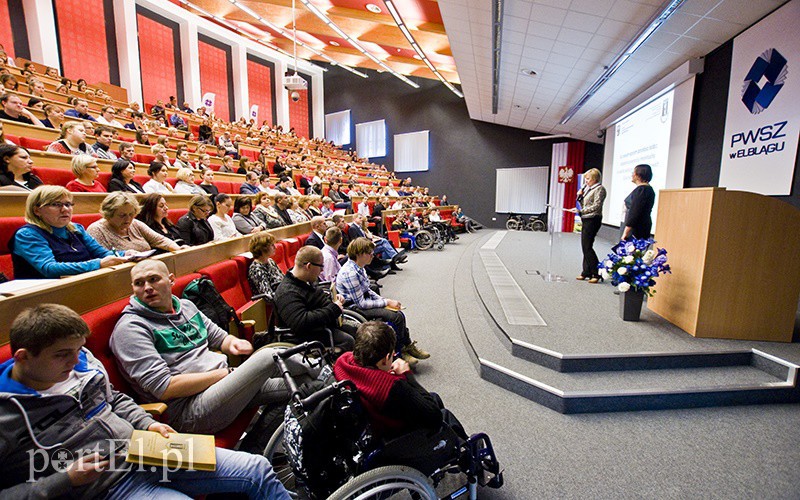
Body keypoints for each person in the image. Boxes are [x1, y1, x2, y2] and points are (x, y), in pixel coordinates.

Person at [0, 303, 290, 499]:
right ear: (23, 357)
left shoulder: (80, 366)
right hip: (107, 487)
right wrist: (65, 479)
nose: (75, 361)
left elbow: (115, 400)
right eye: (62, 354)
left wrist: (148, 424)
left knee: (258, 469)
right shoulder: (7, 415)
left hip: (149, 452)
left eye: (79, 350)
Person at [110, 259, 313, 434]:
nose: (147, 287)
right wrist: (226, 374)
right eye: (139, 283)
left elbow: (220, 338)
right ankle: (324, 368)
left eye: (154, 279)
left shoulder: (186, 307)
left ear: (171, 279)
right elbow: (164, 388)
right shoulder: (130, 328)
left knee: (306, 385)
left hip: (224, 388)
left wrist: (233, 343)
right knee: (269, 355)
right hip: (189, 409)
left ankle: (257, 446)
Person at [333, 321, 466, 440]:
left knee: (434, 397)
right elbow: (434, 417)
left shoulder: (342, 361)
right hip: (394, 433)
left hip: (369, 418)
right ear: (386, 358)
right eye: (393, 355)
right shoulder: (393, 387)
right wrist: (407, 375)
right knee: (444, 414)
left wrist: (383, 373)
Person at [335, 238, 428, 366]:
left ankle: (407, 345)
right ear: (359, 254)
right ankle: (401, 350)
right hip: (354, 307)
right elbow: (361, 303)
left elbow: (367, 290)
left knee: (399, 314)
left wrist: (385, 301)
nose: (373, 256)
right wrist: (386, 302)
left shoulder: (359, 266)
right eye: (369, 253)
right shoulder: (350, 273)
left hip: (361, 301)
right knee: (396, 317)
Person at [10, 186, 127, 279]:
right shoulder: (27, 234)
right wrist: (98, 264)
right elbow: (49, 268)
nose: (65, 209)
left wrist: (126, 255)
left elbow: (101, 253)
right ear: (37, 210)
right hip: (43, 295)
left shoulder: (76, 229)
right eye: (56, 204)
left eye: (68, 204)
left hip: (81, 283)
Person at [274, 246, 355, 351]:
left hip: (323, 325)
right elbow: (300, 322)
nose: (322, 270)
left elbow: (316, 299)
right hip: (304, 335)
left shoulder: (308, 280)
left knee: (359, 331)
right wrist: (333, 309)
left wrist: (333, 299)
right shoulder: (287, 292)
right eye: (321, 266)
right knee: (348, 341)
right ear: (309, 266)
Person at [87, 192, 180, 254]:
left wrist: (179, 249)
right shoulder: (96, 230)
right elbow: (102, 256)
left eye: (131, 214)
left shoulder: (135, 223)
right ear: (108, 214)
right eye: (122, 215)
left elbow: (160, 240)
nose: (128, 219)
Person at [570, 168, 606, 283]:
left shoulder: (599, 189)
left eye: (588, 178)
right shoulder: (588, 189)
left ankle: (596, 273)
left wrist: (581, 211)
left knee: (587, 247)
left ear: (595, 179)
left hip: (593, 219)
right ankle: (586, 272)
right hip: (586, 218)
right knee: (585, 246)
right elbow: (583, 204)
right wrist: (579, 196)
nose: (586, 180)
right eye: (585, 178)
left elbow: (596, 206)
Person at [247, 231, 285, 301]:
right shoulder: (256, 269)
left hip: (283, 294)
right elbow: (268, 297)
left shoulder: (270, 261)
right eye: (272, 245)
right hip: (276, 303)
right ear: (263, 248)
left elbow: (283, 278)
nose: (275, 247)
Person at [622, 164, 656, 240]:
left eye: (633, 172)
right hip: (639, 226)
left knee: (632, 251)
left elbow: (635, 212)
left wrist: (626, 232)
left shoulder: (642, 190)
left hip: (636, 229)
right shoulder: (645, 189)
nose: (632, 174)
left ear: (638, 175)